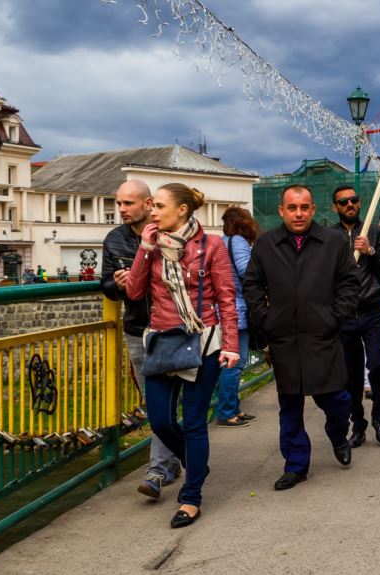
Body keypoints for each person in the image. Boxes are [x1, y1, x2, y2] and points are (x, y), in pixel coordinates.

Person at [125, 183, 240, 528]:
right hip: (161, 340)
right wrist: (144, 249)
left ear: (183, 210)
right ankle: (196, 463)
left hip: (202, 341)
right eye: (152, 206)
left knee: (193, 421)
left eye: (159, 206)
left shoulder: (212, 245)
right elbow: (133, 291)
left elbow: (226, 298)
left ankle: (191, 498)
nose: (153, 212)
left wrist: (231, 345)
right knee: (159, 420)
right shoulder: (152, 244)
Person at [243, 185, 359, 491]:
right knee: (290, 405)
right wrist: (264, 319)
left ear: (313, 210)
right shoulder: (266, 244)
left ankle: (337, 433)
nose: (298, 213)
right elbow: (252, 284)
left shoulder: (333, 241)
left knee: (336, 399)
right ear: (281, 211)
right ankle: (296, 465)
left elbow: (349, 283)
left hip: (323, 335)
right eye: (292, 208)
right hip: (284, 338)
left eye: (304, 207)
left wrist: (335, 316)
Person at [100, 180, 181, 501]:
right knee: (155, 401)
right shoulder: (114, 240)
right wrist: (118, 285)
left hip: (172, 329)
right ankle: (166, 465)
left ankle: (159, 469)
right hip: (137, 330)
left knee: (168, 401)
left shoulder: (170, 233)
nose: (121, 209)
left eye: (128, 203)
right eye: (118, 203)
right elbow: (106, 286)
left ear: (148, 204)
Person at [330, 185, 380, 447]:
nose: (350, 205)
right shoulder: (329, 236)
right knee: (351, 375)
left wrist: (370, 251)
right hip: (344, 315)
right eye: (343, 202)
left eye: (353, 200)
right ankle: (358, 424)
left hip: (371, 311)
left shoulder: (375, 232)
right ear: (335, 207)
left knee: (377, 366)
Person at [216, 206, 261, 428]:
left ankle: (232, 408)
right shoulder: (238, 243)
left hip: (223, 310)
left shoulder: (222, 242)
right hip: (237, 310)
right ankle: (226, 412)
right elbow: (248, 272)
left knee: (229, 363)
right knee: (235, 363)